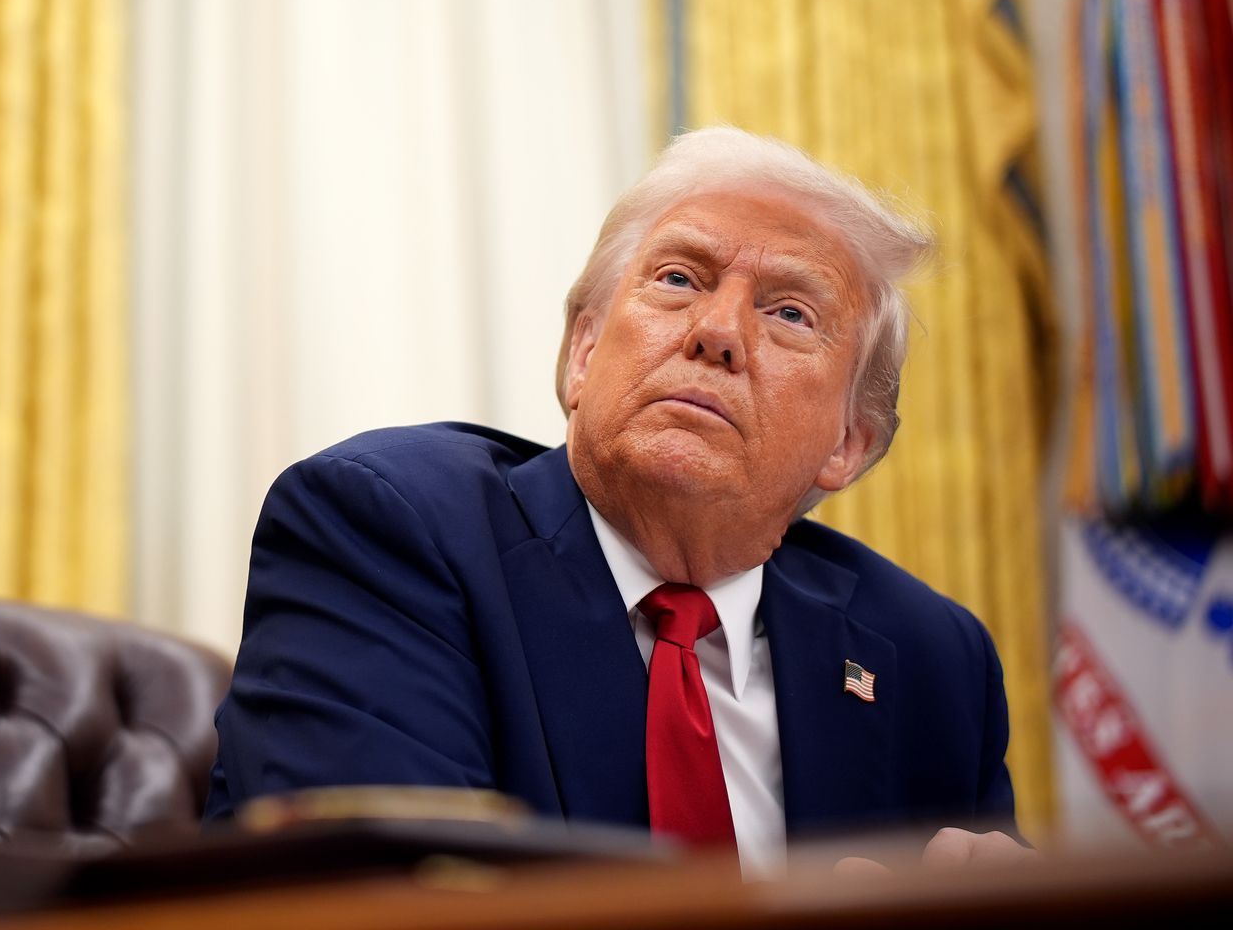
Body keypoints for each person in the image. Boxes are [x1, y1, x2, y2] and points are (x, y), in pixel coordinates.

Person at [204, 127, 1032, 878]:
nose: (718, 331)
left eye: (789, 312)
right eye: (678, 278)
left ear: (849, 442)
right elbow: (385, 906)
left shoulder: (929, 658)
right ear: (583, 352)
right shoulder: (387, 531)